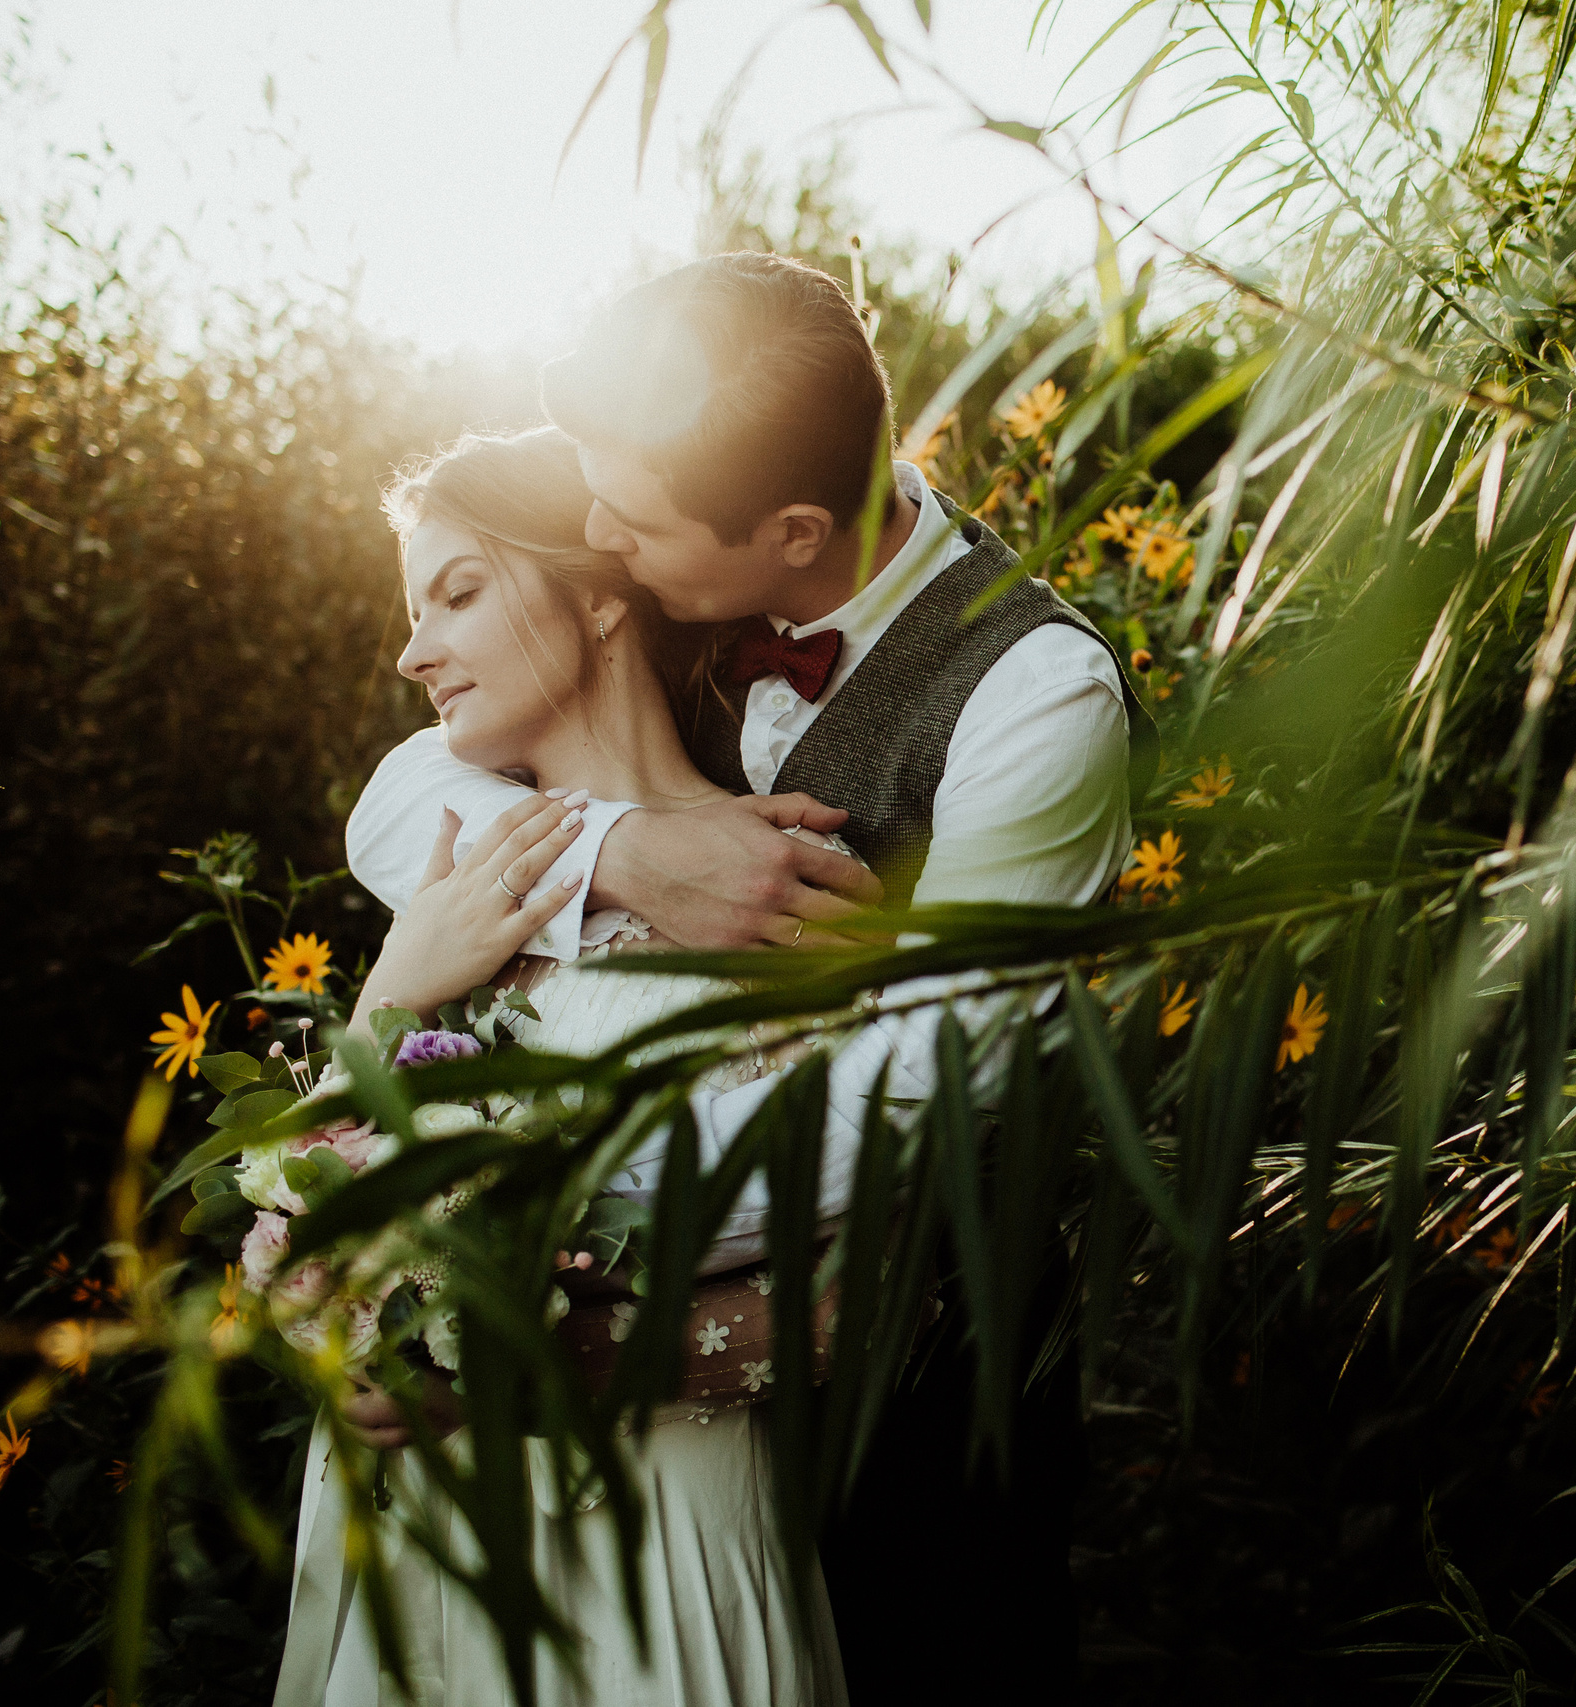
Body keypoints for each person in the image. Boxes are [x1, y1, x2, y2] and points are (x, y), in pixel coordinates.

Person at [342, 252, 1156, 1702]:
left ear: (792, 533)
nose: (597, 533)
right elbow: (400, 795)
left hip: (907, 1432)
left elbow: (915, 1094)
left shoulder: (1036, 697)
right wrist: (619, 851)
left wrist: (545, 1208)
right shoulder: (667, 576)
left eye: (627, 516)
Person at [275, 428, 848, 1707]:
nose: (413, 653)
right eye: (413, 613)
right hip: (421, 1547)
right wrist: (390, 989)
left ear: (599, 591)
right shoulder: (460, 889)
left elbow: (849, 1300)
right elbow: (293, 1232)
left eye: (458, 594)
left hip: (650, 1550)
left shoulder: (765, 882)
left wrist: (499, 1367)